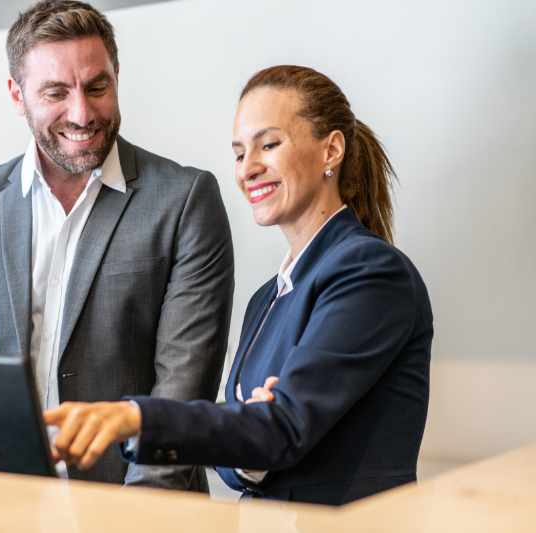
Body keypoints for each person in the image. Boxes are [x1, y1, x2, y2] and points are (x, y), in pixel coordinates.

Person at [45, 65, 433, 505]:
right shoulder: (265, 299)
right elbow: (238, 465)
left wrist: (138, 417)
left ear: (331, 150)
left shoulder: (371, 273)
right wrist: (256, 435)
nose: (249, 168)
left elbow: (282, 429)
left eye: (269, 145)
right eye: (238, 153)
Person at [0, 0, 234, 491]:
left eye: (98, 87)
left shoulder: (184, 200)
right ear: (17, 94)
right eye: (55, 92)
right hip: (4, 505)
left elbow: (182, 388)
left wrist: (137, 517)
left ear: (117, 78)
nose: (82, 112)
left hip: (139, 507)